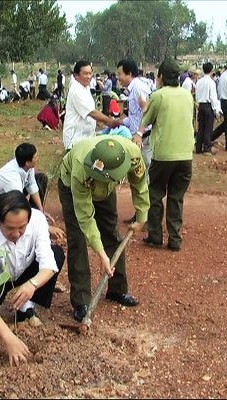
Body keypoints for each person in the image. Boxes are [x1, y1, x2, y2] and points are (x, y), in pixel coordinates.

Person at [58, 135, 149, 322]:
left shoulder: (133, 155)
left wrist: (141, 217)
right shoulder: (80, 169)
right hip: (72, 187)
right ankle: (81, 302)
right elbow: (85, 218)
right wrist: (101, 254)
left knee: (111, 234)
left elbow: (139, 185)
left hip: (105, 190)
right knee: (78, 240)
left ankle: (117, 290)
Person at [0, 190, 65, 366]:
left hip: (23, 270)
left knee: (56, 253)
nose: (17, 233)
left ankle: (26, 306)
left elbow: (49, 264)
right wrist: (8, 337)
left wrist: (32, 284)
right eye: (10, 228)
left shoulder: (37, 220)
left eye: (22, 227)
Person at [138, 57, 194, 252]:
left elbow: (147, 119)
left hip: (163, 156)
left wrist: (139, 132)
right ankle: (175, 239)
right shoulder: (188, 95)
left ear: (160, 76)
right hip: (186, 155)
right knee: (176, 197)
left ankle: (154, 236)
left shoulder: (158, 95)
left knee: (155, 194)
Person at [117, 58, 152, 225]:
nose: (118, 78)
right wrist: (118, 122)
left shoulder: (139, 88)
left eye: (120, 74)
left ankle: (146, 218)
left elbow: (147, 113)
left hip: (143, 139)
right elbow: (135, 116)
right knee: (137, 176)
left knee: (143, 177)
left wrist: (138, 133)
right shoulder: (133, 89)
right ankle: (140, 213)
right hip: (137, 137)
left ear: (129, 73)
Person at [0, 142, 53, 224]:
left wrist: (41, 211)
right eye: (35, 157)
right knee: (18, 205)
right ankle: (26, 219)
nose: (38, 158)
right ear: (28, 162)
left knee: (41, 178)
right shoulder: (12, 177)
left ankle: (33, 215)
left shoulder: (28, 167)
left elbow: (32, 187)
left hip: (14, 192)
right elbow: (18, 200)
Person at [62, 60, 120, 151]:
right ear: (76, 75)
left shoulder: (86, 88)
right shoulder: (76, 90)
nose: (89, 76)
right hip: (75, 140)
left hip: (86, 138)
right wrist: (110, 122)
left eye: (90, 73)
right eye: (85, 74)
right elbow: (92, 112)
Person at [195, 62, 222, 154]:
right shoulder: (211, 82)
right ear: (211, 71)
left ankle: (198, 147)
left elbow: (197, 96)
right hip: (208, 106)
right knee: (208, 128)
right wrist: (217, 111)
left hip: (200, 105)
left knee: (201, 127)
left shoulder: (199, 82)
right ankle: (206, 148)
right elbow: (213, 98)